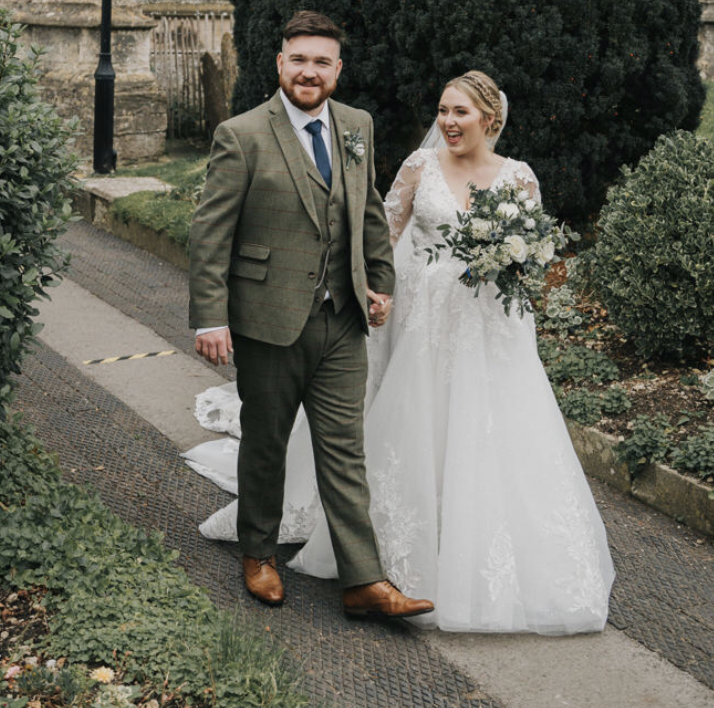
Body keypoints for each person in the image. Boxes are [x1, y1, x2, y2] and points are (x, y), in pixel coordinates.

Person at [187, 69, 614, 634]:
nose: (448, 122)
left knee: (488, 428)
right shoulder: (420, 166)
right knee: (404, 424)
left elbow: (533, 252)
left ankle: (471, 546)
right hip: (422, 323)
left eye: (460, 112)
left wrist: (511, 260)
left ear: (490, 119)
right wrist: (372, 291)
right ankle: (366, 561)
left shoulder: (519, 177)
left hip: (488, 327)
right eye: (443, 111)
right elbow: (379, 235)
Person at [188, 10, 434, 620]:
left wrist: (379, 284)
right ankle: (258, 554)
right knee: (266, 445)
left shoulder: (356, 125)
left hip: (342, 319)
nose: (309, 71)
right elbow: (211, 234)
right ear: (280, 63)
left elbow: (368, 211)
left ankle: (363, 580)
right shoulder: (241, 134)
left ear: (337, 70)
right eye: (299, 59)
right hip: (267, 320)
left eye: (322, 62)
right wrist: (210, 318)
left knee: (345, 452)